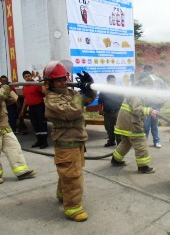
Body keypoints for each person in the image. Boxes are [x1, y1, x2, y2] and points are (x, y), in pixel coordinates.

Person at [43, 61, 96, 222]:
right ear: (49, 83)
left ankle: (62, 194)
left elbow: (88, 99)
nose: (63, 82)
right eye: (58, 80)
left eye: (64, 78)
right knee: (73, 176)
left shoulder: (70, 93)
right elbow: (71, 111)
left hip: (78, 141)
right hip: (66, 144)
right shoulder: (52, 99)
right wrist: (79, 96)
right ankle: (72, 208)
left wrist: (89, 87)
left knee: (69, 173)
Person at [111, 75, 158, 174]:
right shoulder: (137, 94)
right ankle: (143, 167)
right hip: (131, 125)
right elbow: (137, 109)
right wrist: (149, 111)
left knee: (126, 143)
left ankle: (115, 159)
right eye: (149, 86)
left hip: (124, 124)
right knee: (141, 144)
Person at [0, 84, 37, 184]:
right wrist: (4, 89)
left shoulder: (1, 94)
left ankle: (22, 172)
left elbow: (14, 99)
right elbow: (0, 97)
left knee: (14, 149)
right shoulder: (0, 95)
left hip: (5, 128)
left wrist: (9, 89)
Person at [19, 70, 49, 149]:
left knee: (42, 124)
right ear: (24, 78)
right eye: (26, 77)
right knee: (35, 125)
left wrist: (41, 83)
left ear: (31, 76)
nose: (27, 78)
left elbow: (45, 91)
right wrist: (23, 110)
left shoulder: (36, 84)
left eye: (29, 76)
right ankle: (39, 140)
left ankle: (44, 142)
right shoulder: (24, 86)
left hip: (39, 107)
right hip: (31, 108)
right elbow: (26, 98)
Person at [139, 64, 165, 148]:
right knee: (148, 125)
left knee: (151, 125)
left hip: (153, 105)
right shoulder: (144, 80)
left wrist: (160, 103)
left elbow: (164, 92)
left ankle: (155, 141)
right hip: (148, 106)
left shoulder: (156, 80)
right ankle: (147, 142)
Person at [98, 75, 123, 147]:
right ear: (108, 81)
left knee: (118, 128)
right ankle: (111, 141)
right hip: (107, 113)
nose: (113, 82)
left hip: (117, 112)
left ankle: (119, 143)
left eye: (114, 80)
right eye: (112, 80)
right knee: (109, 128)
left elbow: (123, 101)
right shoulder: (104, 91)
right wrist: (100, 110)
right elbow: (100, 101)